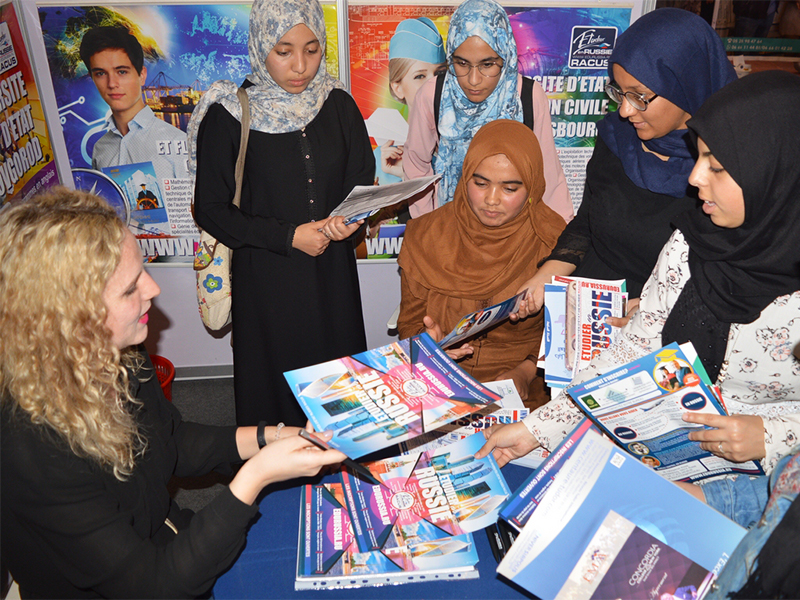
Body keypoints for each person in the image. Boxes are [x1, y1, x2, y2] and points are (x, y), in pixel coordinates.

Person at [0, 188, 346, 599]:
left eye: (143, 270)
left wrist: (270, 436)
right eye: (130, 289)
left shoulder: (119, 351)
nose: (152, 288)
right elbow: (155, 586)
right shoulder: (31, 447)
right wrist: (257, 475)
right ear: (69, 320)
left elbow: (170, 439)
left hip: (163, 535)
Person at [477, 71, 800, 480]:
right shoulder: (691, 242)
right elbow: (634, 351)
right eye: (698, 158)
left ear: (777, 175)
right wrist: (536, 429)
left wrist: (774, 437)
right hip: (669, 467)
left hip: (770, 494)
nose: (695, 177)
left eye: (716, 167)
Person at [189, 0, 375, 427]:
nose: (301, 66)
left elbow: (361, 176)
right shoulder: (229, 114)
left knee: (341, 389)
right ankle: (283, 484)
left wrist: (348, 220)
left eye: (312, 49)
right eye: (284, 50)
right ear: (260, 45)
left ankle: (345, 475)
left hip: (332, 275)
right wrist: (289, 235)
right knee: (278, 392)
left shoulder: (338, 103)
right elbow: (212, 209)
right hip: (268, 278)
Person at [514, 8, 737, 318]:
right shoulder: (617, 138)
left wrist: (654, 312)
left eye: (640, 96)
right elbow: (588, 224)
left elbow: (731, 277)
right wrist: (547, 274)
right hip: (589, 310)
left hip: (673, 322)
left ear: (687, 84)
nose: (625, 111)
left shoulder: (732, 165)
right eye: (619, 93)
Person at [397, 120, 566, 407]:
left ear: (532, 189)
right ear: (465, 179)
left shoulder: (553, 240)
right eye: (480, 183)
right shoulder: (426, 235)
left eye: (509, 188)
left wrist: (526, 373)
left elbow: (565, 335)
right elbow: (409, 325)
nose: (491, 200)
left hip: (527, 387)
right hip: (441, 383)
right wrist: (429, 348)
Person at [402, 0, 573, 222]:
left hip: (513, 229)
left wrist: (561, 237)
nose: (473, 80)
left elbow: (547, 173)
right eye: (461, 63)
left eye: (487, 65)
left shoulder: (527, 96)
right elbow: (416, 166)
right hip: (451, 227)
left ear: (507, 57)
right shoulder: (433, 94)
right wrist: (427, 226)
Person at [80, 26, 189, 180]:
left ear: (141, 75)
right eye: (101, 73)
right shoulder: (100, 149)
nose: (112, 84)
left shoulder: (176, 141)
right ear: (93, 79)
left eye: (122, 72)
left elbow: (194, 203)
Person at [374, 17, 445, 186]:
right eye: (420, 76)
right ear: (397, 87)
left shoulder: (463, 144)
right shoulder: (382, 160)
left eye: (440, 74)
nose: (433, 84)